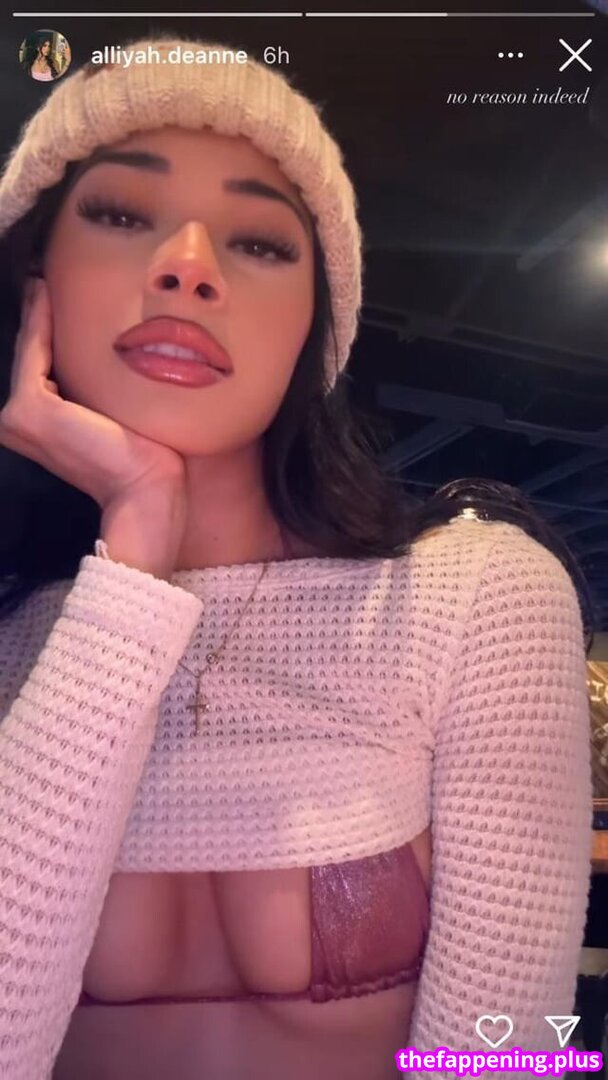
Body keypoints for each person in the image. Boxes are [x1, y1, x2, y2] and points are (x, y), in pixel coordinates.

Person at [0, 33, 595, 1080]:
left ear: (316, 325)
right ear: (36, 283)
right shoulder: (18, 639)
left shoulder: (473, 597)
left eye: (260, 242)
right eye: (122, 214)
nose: (188, 263)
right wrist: (132, 549)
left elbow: (502, 1054)